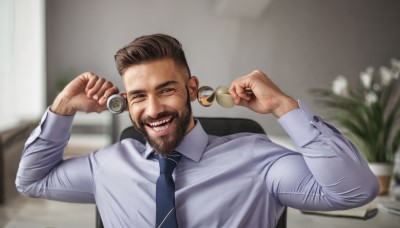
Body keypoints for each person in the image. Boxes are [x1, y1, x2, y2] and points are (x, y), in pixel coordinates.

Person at [16, 34, 379, 228]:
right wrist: (62, 109)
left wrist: (284, 106)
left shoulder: (258, 159)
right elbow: (30, 181)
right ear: (127, 102)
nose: (154, 109)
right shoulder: (107, 166)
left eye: (166, 90)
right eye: (139, 96)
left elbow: (356, 191)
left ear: (192, 89)